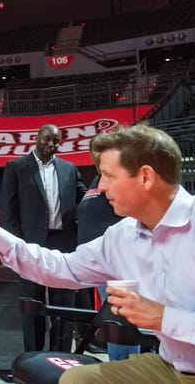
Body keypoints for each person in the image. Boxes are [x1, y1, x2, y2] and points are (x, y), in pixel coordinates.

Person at [0, 124, 195, 383]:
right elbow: (63, 268)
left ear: (145, 177)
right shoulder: (122, 235)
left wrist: (164, 318)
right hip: (168, 367)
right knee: (74, 379)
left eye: (108, 175)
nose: (101, 187)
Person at [0, 123, 87, 352]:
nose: (51, 144)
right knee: (32, 304)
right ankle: (33, 356)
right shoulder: (16, 167)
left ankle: (60, 356)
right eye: (47, 139)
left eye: (56, 140)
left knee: (65, 304)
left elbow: (84, 198)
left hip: (63, 243)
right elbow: (9, 213)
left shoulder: (69, 168)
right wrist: (14, 247)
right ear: (36, 138)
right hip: (30, 244)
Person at [76, 136, 139, 360]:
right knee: (113, 317)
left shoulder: (121, 182)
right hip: (95, 261)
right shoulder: (97, 182)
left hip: (116, 262)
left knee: (118, 318)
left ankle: (124, 367)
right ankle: (122, 366)